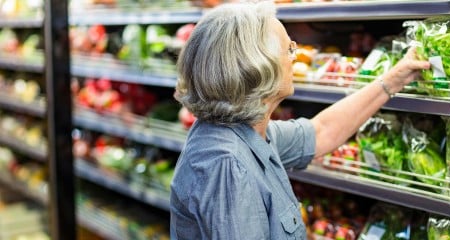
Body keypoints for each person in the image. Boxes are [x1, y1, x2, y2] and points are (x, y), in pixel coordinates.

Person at [170, 1, 430, 239]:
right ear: (258, 67)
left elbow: (321, 131)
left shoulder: (245, 131)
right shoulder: (228, 166)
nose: (295, 59)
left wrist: (395, 79)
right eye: (289, 50)